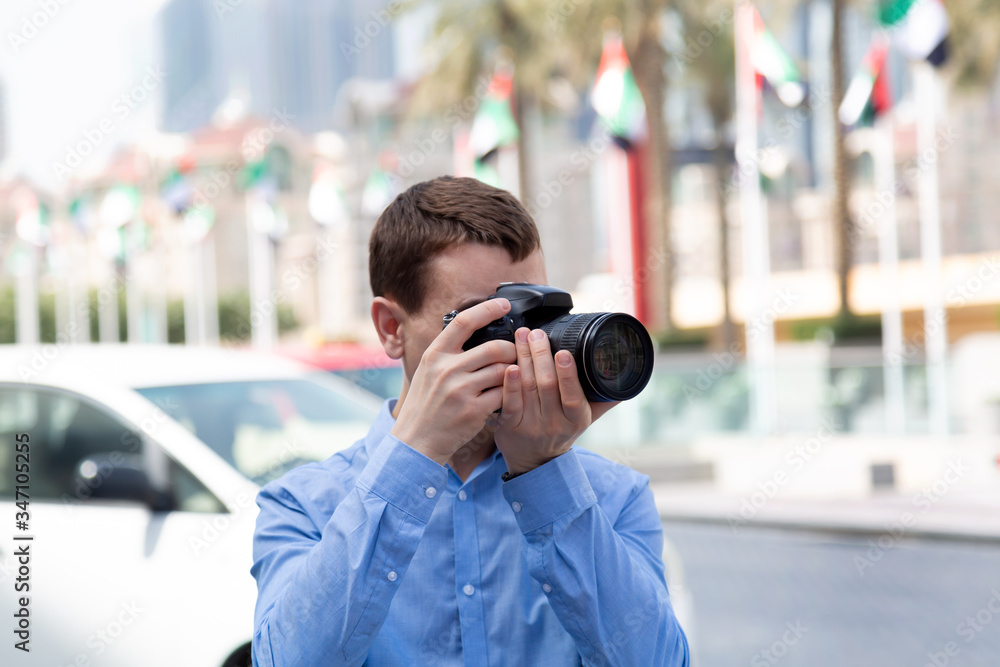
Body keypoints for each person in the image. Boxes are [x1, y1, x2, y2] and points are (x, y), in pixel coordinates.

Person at [250, 176, 690, 666]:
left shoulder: (612, 497)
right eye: (487, 321)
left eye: (537, 318)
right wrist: (415, 455)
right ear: (391, 328)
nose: (525, 346)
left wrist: (545, 476)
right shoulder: (304, 506)